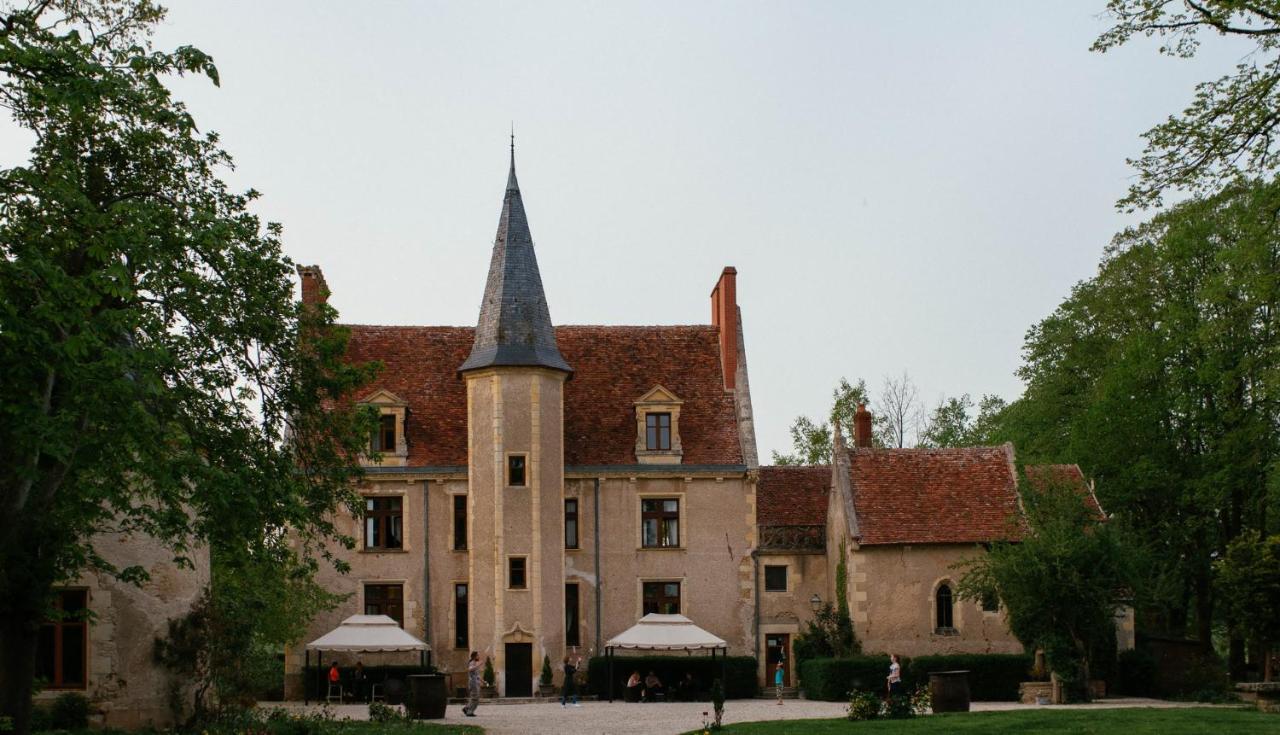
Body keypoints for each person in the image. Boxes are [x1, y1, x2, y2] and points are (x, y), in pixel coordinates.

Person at [462, 651, 483, 717]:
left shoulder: (474, 663)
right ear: (474, 656)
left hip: (475, 683)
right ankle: (469, 711)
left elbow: (476, 675)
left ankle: (466, 708)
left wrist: (483, 681)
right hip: (473, 683)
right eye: (478, 655)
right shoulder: (472, 663)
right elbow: (470, 669)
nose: (479, 657)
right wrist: (478, 665)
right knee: (475, 698)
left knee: (474, 697)